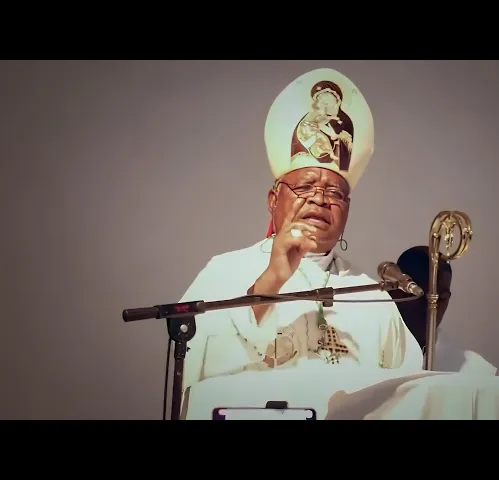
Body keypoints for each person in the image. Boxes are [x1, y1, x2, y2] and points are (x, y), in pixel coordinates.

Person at [178, 68, 424, 419]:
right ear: (273, 201)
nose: (320, 200)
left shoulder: (372, 296)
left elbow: (408, 397)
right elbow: (195, 371)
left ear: (347, 210)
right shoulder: (224, 272)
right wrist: (272, 280)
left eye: (335, 193)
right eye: (306, 187)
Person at [388, 246, 453, 353]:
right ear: (392, 292)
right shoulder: (365, 347)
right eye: (418, 295)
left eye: (441, 298)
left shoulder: (471, 363)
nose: (431, 307)